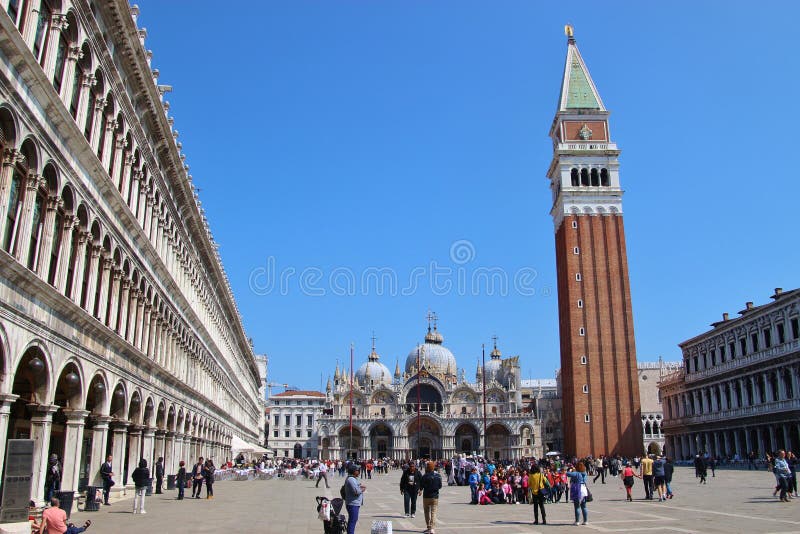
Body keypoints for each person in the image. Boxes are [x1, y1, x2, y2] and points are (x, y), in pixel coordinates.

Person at [419, 461, 442, 534]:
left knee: (426, 512)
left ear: (427, 468)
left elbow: (421, 486)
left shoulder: (424, 476)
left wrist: (421, 490)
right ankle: (432, 528)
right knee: (433, 512)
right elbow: (440, 486)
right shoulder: (438, 476)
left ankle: (429, 527)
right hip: (435, 496)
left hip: (426, 496)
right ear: (433, 467)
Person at [343, 466, 366, 534]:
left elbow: (355, 488)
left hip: (353, 503)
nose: (358, 472)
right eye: (357, 470)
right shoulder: (351, 479)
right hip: (352, 503)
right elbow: (356, 491)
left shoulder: (352, 479)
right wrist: (362, 489)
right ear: (353, 471)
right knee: (352, 521)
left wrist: (359, 487)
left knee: (353, 520)